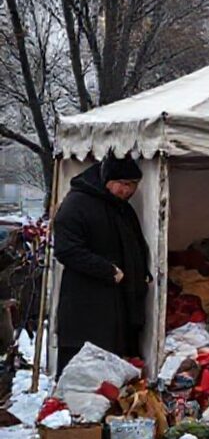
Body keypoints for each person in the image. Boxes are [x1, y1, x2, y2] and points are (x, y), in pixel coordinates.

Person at [53, 155, 150, 375]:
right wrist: (107, 270)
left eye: (133, 185)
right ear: (108, 180)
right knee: (86, 360)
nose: (128, 190)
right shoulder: (76, 204)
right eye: (124, 184)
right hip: (86, 301)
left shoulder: (120, 206)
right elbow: (67, 250)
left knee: (111, 360)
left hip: (116, 301)